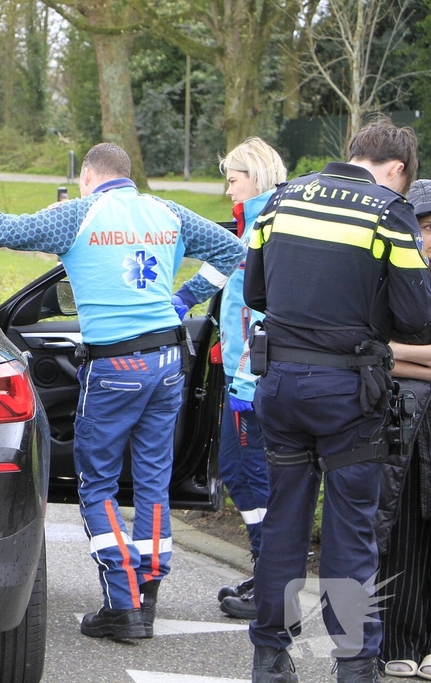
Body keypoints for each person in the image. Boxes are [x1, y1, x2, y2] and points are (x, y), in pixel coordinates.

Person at [0, 142, 245, 640]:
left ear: (88, 176)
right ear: (128, 174)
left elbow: (8, 231)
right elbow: (233, 250)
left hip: (114, 365)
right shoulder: (168, 212)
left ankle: (121, 605)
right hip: (167, 360)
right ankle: (147, 596)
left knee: (97, 485)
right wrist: (184, 297)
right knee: (153, 482)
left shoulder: (80, 214)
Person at [242, 115, 431, 683]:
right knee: (351, 535)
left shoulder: (280, 201)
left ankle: (271, 655)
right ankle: (353, 665)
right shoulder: (387, 212)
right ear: (396, 168)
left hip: (278, 386)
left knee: (284, 523)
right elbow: (419, 319)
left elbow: (255, 290)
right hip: (349, 394)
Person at [211, 138, 287, 621]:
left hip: (251, 381)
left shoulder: (262, 227)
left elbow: (260, 313)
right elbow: (221, 275)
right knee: (245, 474)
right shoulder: (254, 224)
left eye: (232, 178)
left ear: (255, 177)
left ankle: (272, 586)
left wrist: (242, 381)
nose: (226, 188)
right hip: (247, 376)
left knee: (249, 477)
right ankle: (268, 575)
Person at [378, 179, 431, 679]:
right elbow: (376, 352)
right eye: (423, 227)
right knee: (401, 530)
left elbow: (392, 353)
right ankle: (397, 641)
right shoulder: (390, 277)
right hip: (402, 420)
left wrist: (401, 356)